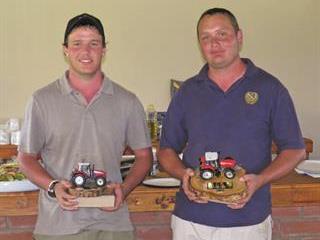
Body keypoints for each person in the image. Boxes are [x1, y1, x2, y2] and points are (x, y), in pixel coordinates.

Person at [158, 7, 306, 240]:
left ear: (239, 37)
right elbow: (166, 150)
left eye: (222, 34)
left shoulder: (270, 89)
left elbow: (295, 151)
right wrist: (184, 175)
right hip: (191, 221)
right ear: (199, 44)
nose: (214, 43)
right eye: (205, 37)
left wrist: (260, 180)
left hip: (248, 222)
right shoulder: (186, 92)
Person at [18, 13, 152, 240]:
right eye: (77, 44)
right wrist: (53, 186)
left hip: (113, 224)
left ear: (104, 50)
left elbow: (144, 156)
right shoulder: (41, 100)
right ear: (65, 50)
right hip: (58, 226)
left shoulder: (127, 101)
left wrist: (123, 190)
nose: (86, 52)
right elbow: (26, 158)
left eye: (94, 44)